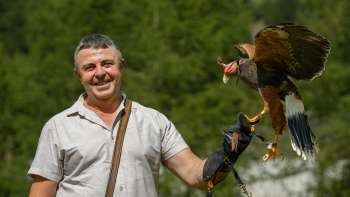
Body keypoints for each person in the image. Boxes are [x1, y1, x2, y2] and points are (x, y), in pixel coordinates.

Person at [28, 34, 252, 197]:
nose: (99, 73)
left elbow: (197, 176)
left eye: (107, 64)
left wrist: (228, 153)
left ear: (121, 66)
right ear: (78, 75)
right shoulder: (58, 127)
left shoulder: (153, 121)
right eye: (89, 67)